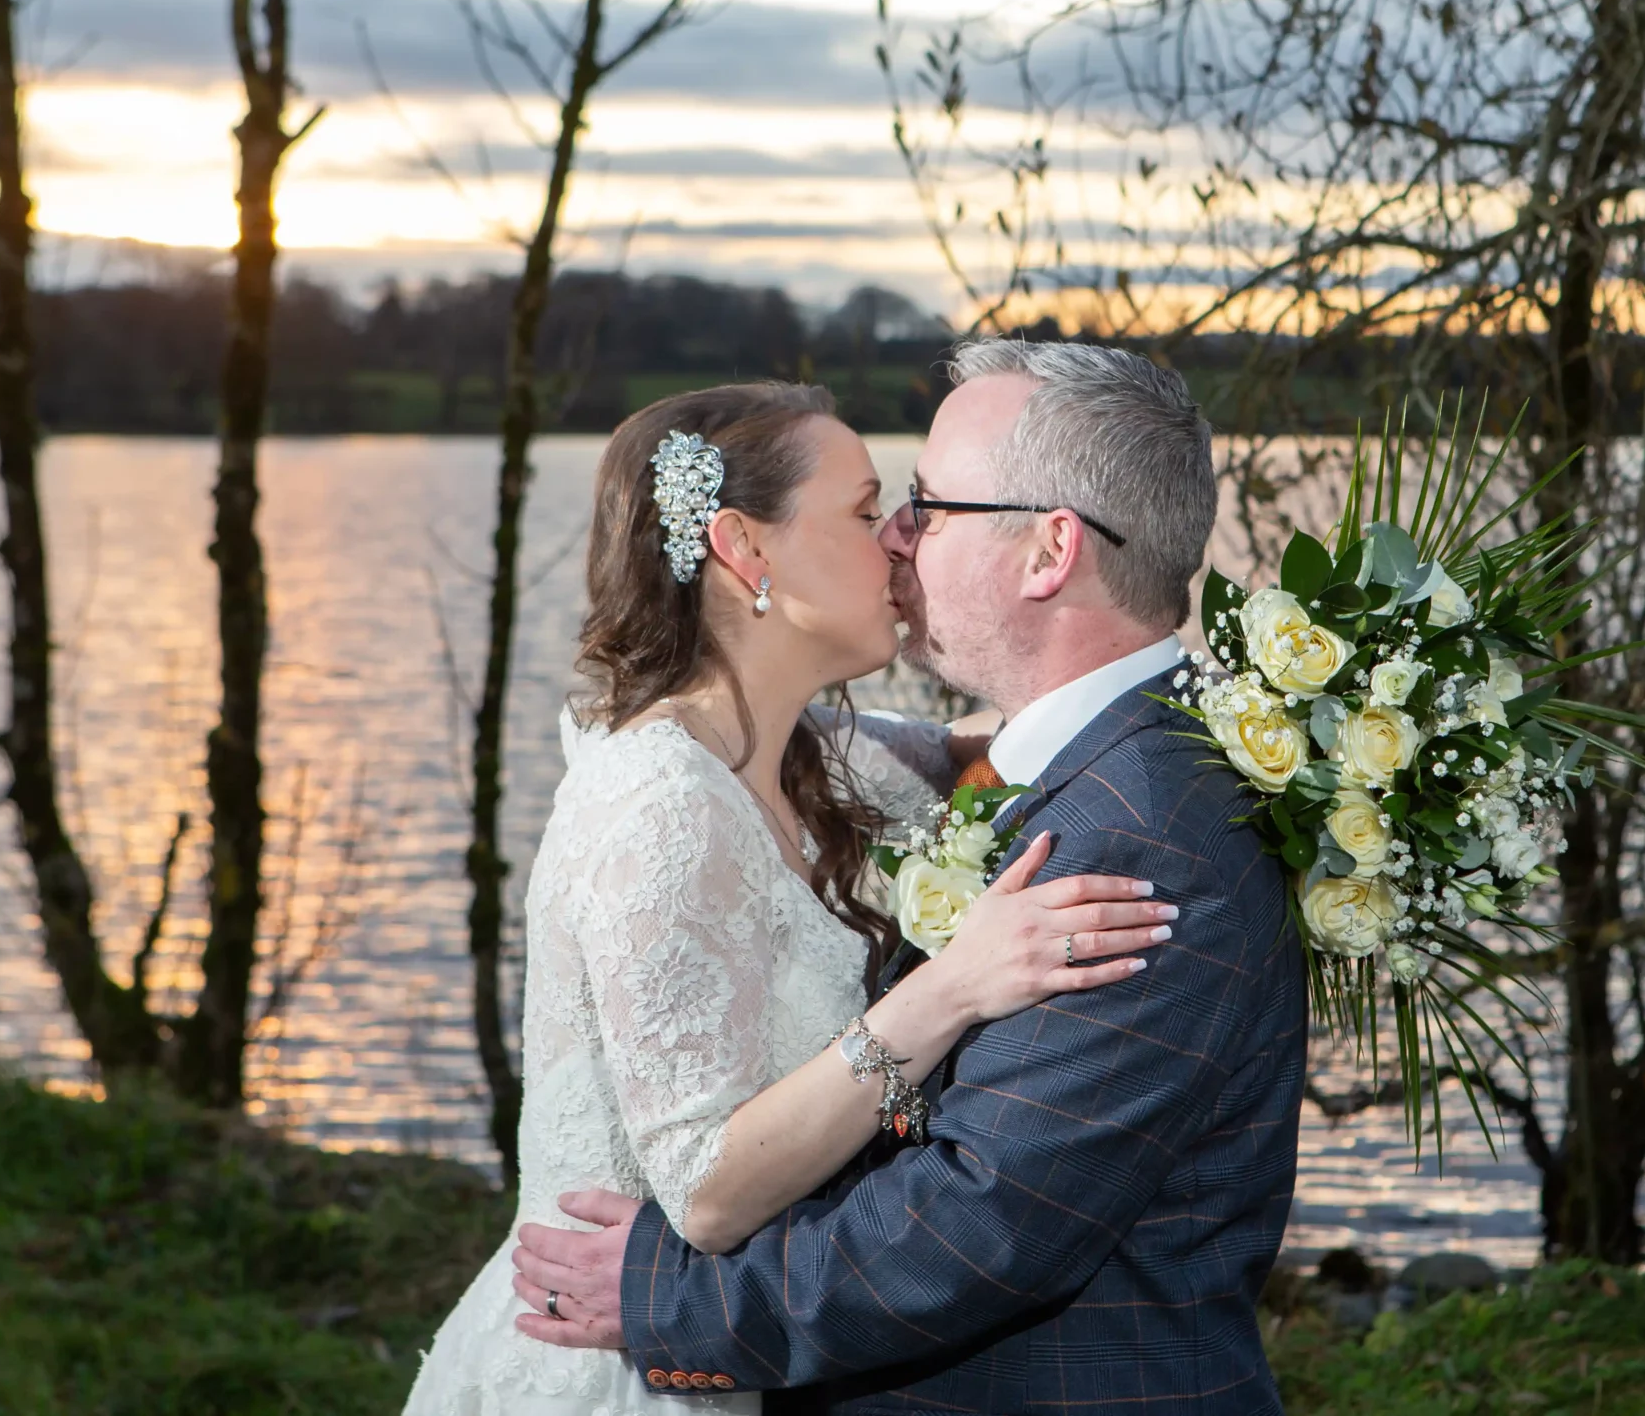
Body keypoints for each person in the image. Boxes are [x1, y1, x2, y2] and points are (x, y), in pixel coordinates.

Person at [509, 341, 1312, 1413]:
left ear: (1048, 553)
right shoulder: (1025, 767)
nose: (896, 535)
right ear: (742, 551)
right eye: (880, 507)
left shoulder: (1142, 835)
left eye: (928, 504)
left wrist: (670, 1299)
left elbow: (980, 1228)